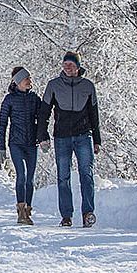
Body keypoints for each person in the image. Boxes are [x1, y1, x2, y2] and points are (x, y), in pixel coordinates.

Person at [37, 51, 101, 227]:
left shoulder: (88, 86)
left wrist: (97, 139)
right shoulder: (53, 85)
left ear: (78, 67)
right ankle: (66, 215)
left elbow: (94, 113)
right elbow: (44, 112)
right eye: (65, 64)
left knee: (86, 174)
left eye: (71, 64)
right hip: (62, 137)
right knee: (63, 176)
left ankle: (88, 213)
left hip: (83, 135)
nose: (67, 67)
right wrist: (42, 135)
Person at [0, 66, 41, 225]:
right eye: (26, 79)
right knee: (21, 175)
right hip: (16, 143)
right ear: (18, 82)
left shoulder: (34, 99)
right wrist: (1, 147)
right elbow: (2, 124)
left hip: (31, 144)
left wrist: (43, 138)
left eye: (29, 78)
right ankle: (20, 211)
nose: (30, 81)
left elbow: (42, 120)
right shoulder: (9, 99)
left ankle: (28, 211)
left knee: (30, 178)